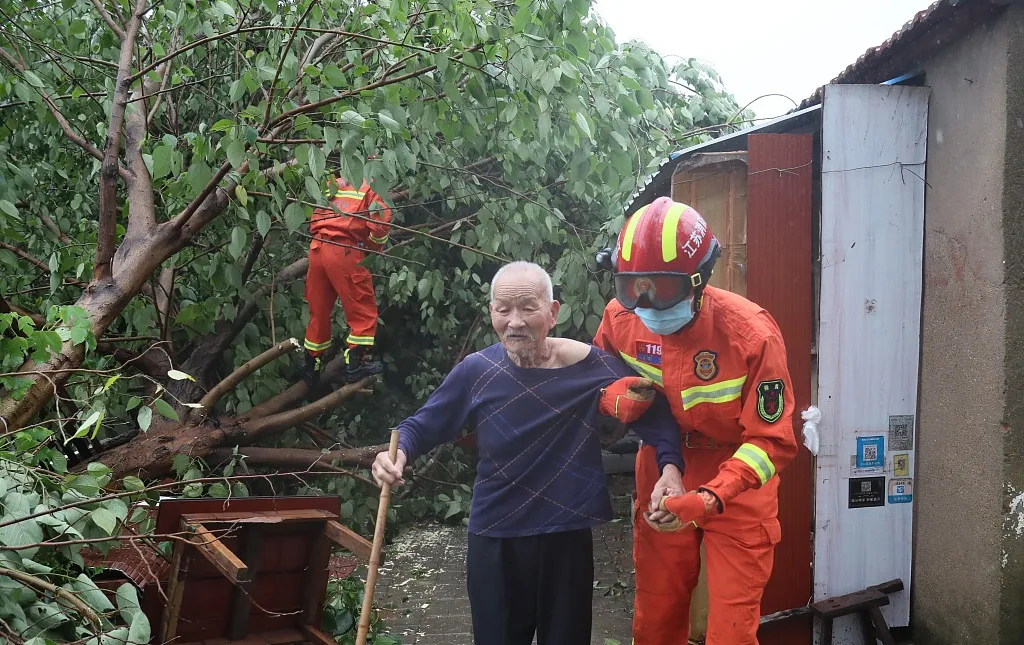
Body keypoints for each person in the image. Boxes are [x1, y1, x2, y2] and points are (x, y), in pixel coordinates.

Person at [371, 261, 683, 645]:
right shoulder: (477, 371)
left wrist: (671, 468)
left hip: (565, 537)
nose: (514, 322)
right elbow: (424, 425)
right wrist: (397, 452)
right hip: (496, 538)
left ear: (552, 313)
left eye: (527, 308)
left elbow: (654, 414)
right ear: (491, 314)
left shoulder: (593, 367)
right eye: (503, 310)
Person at [593, 197, 799, 645]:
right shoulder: (619, 321)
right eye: (633, 286)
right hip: (662, 470)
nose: (645, 301)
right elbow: (599, 384)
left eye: (660, 288)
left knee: (732, 628)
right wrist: (614, 403)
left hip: (739, 480)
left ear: (698, 281)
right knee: (657, 614)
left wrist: (711, 496)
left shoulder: (751, 334)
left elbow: (773, 443)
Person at [301, 172, 392, 387]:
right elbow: (380, 224)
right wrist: (372, 248)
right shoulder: (373, 183)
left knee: (318, 310)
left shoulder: (335, 180)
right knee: (362, 308)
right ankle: (355, 366)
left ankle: (311, 367)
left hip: (317, 248)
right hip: (344, 249)